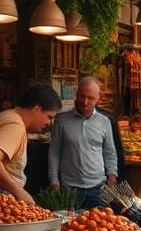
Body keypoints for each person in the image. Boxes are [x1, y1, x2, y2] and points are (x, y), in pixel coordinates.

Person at [47, 77, 119, 209]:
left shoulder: (105, 121)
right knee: (71, 226)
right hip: (69, 189)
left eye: (90, 98)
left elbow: (110, 152)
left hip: (98, 188)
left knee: (100, 226)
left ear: (99, 98)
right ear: (76, 94)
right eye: (82, 96)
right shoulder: (61, 120)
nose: (85, 102)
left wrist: (112, 177)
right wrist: (54, 181)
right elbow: (54, 152)